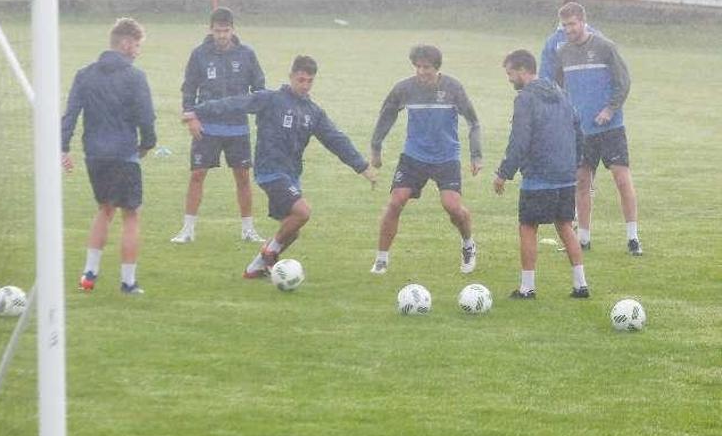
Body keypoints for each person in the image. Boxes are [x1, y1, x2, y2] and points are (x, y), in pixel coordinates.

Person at [182, 55, 377, 278]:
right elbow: (235, 102)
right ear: (291, 76)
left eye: (309, 81)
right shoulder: (271, 99)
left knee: (291, 230)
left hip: (291, 174)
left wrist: (361, 166)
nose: (304, 85)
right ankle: (269, 253)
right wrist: (198, 110)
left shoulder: (313, 113)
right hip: (270, 171)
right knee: (302, 212)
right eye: (300, 79)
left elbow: (336, 139)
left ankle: (254, 269)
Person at [61, 18, 156, 295]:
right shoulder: (135, 77)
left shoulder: (84, 74)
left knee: (104, 208)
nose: (138, 51)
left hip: (95, 155)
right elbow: (146, 116)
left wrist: (63, 147)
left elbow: (71, 114)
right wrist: (148, 143)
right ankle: (128, 282)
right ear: (125, 44)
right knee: (131, 214)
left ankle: (89, 274)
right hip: (124, 154)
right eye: (137, 45)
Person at [368, 45, 482, 275]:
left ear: (437, 68)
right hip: (414, 156)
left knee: (452, 207)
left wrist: (476, 155)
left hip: (446, 157)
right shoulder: (404, 88)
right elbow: (386, 115)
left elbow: (474, 122)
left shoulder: (452, 88)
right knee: (395, 202)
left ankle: (468, 244)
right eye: (417, 66)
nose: (421, 71)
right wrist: (376, 149)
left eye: (426, 67)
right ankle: (381, 259)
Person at [494, 49, 589, 299]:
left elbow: (520, 140)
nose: (509, 79)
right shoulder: (561, 93)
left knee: (528, 226)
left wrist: (504, 173)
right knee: (565, 226)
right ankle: (581, 285)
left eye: (510, 73)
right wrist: (574, 163)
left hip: (539, 175)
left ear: (523, 70)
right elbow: (579, 130)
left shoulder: (525, 99)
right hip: (565, 174)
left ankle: (527, 288)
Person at [170, 7, 266, 244]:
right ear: (210, 30)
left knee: (243, 177)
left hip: (237, 127)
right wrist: (191, 117)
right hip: (207, 127)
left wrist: (251, 107)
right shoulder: (199, 55)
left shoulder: (246, 54)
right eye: (217, 31)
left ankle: (248, 230)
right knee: (197, 175)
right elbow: (189, 88)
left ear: (233, 30)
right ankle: (188, 230)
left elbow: (260, 89)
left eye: (226, 31)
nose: (222, 35)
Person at [556, 2, 642, 256]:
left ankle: (633, 237)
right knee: (581, 182)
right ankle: (583, 238)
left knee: (621, 179)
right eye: (564, 25)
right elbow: (560, 88)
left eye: (572, 24)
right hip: (580, 132)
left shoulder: (605, 47)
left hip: (610, 128)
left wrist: (610, 109)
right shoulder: (562, 52)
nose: (569, 29)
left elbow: (623, 82)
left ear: (583, 21)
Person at [538, 0, 602, 82]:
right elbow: (546, 73)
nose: (568, 30)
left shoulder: (553, 41)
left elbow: (545, 74)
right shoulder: (598, 37)